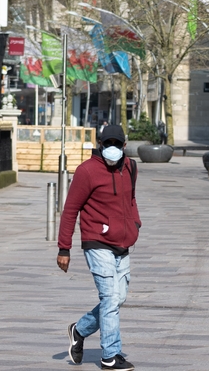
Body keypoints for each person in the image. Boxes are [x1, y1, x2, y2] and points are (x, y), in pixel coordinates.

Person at [57, 125, 141, 370]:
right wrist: (64, 248)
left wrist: (135, 224)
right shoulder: (87, 171)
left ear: (124, 146)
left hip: (123, 243)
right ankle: (110, 355)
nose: (112, 148)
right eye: (107, 143)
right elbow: (70, 209)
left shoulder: (131, 168)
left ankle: (79, 330)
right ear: (100, 144)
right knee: (109, 298)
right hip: (97, 242)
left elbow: (131, 199)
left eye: (117, 144)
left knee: (118, 298)